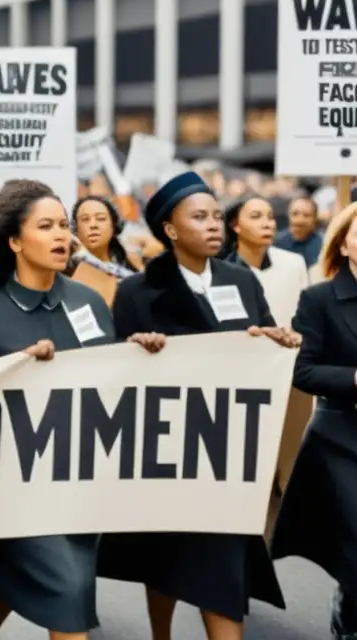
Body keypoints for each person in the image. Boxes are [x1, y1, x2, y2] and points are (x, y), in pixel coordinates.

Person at [0, 180, 164, 640]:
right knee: (69, 592)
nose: (62, 235)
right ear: (15, 241)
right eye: (46, 226)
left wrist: (136, 351)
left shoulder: (91, 303)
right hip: (17, 484)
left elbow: (108, 382)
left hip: (82, 478)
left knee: (30, 565)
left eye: (64, 224)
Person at [98, 171, 298, 640]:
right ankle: (161, 634)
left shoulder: (241, 279)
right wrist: (136, 348)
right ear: (170, 230)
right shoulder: (136, 291)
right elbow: (117, 373)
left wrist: (277, 340)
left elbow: (267, 333)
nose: (215, 226)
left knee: (221, 566)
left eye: (216, 217)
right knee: (163, 556)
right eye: (200, 217)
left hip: (229, 450)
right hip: (168, 452)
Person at [273, 200, 357, 640]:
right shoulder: (320, 298)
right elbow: (302, 370)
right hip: (343, 439)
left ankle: (345, 598)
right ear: (342, 245)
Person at [222, 195, 312, 503]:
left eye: (271, 217)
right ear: (235, 225)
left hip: (291, 373)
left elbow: (306, 315)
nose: (267, 223)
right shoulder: (221, 271)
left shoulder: (293, 263)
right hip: (242, 378)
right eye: (256, 216)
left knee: (291, 459)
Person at [69, 195, 143, 307]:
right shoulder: (67, 276)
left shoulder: (131, 267)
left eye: (101, 218)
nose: (93, 225)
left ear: (113, 226)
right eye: (85, 219)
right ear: (76, 229)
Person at [275, 195, 323, 268]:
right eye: (295, 214)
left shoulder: (323, 245)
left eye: (306, 215)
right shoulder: (276, 243)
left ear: (315, 218)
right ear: (288, 215)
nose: (300, 220)